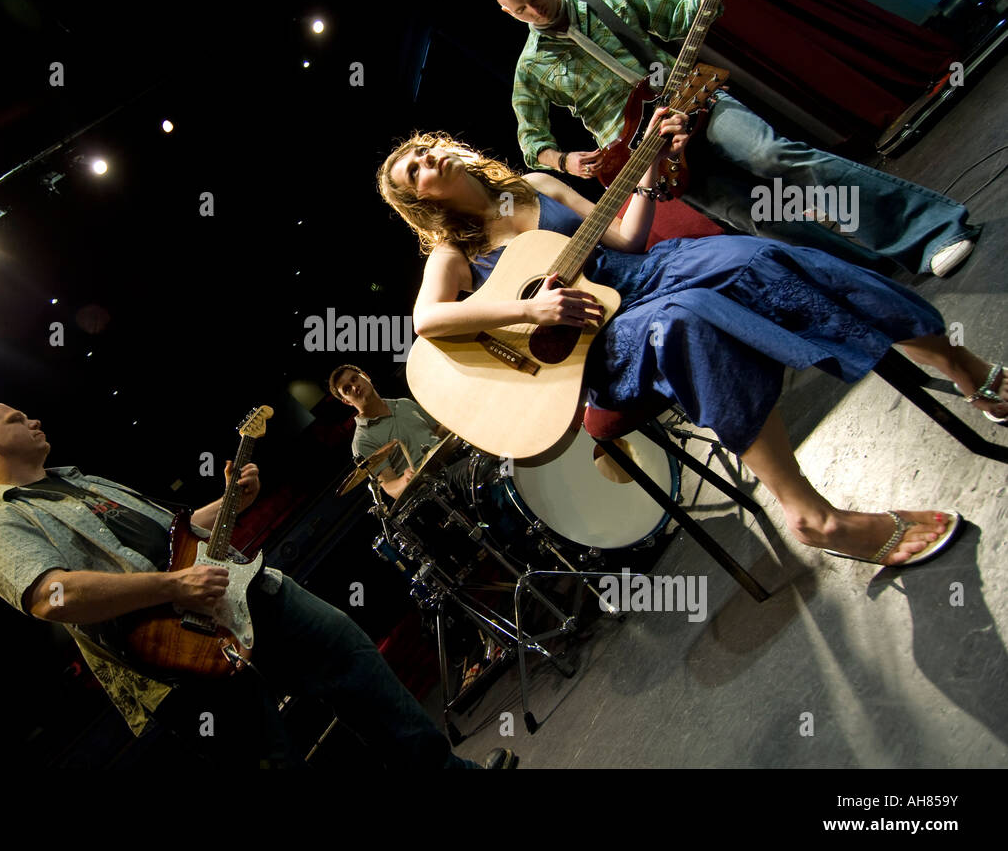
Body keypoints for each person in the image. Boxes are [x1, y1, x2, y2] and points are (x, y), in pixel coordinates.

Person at [376, 131, 1007, 567]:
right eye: (415, 170)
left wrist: (647, 170)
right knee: (687, 322)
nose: (429, 160)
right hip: (602, 342)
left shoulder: (535, 184)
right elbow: (428, 320)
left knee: (765, 258)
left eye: (427, 149)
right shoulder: (454, 253)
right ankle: (814, 516)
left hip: (646, 274)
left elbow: (624, 239)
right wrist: (528, 309)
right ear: (420, 198)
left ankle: (964, 367)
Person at [0, 402, 517, 768]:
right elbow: (52, 596)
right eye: (16, 419)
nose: (34, 420)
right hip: (179, 654)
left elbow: (179, 535)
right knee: (273, 756)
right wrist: (172, 587)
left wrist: (231, 502)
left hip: (249, 592)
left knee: (353, 664)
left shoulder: (83, 481)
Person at [493, 0, 978, 277]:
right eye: (520, 10)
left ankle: (931, 232)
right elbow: (531, 141)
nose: (534, 10)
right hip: (648, 153)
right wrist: (565, 161)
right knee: (763, 217)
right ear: (509, 14)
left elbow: (680, 15)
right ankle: (873, 276)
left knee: (774, 156)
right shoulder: (531, 67)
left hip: (690, 100)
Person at [329, 363, 454, 501]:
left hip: (452, 460)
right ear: (346, 401)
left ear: (365, 376)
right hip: (433, 488)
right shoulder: (362, 441)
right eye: (347, 389)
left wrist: (453, 420)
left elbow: (438, 433)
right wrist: (405, 480)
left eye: (354, 379)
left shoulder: (404, 403)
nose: (355, 387)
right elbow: (390, 487)